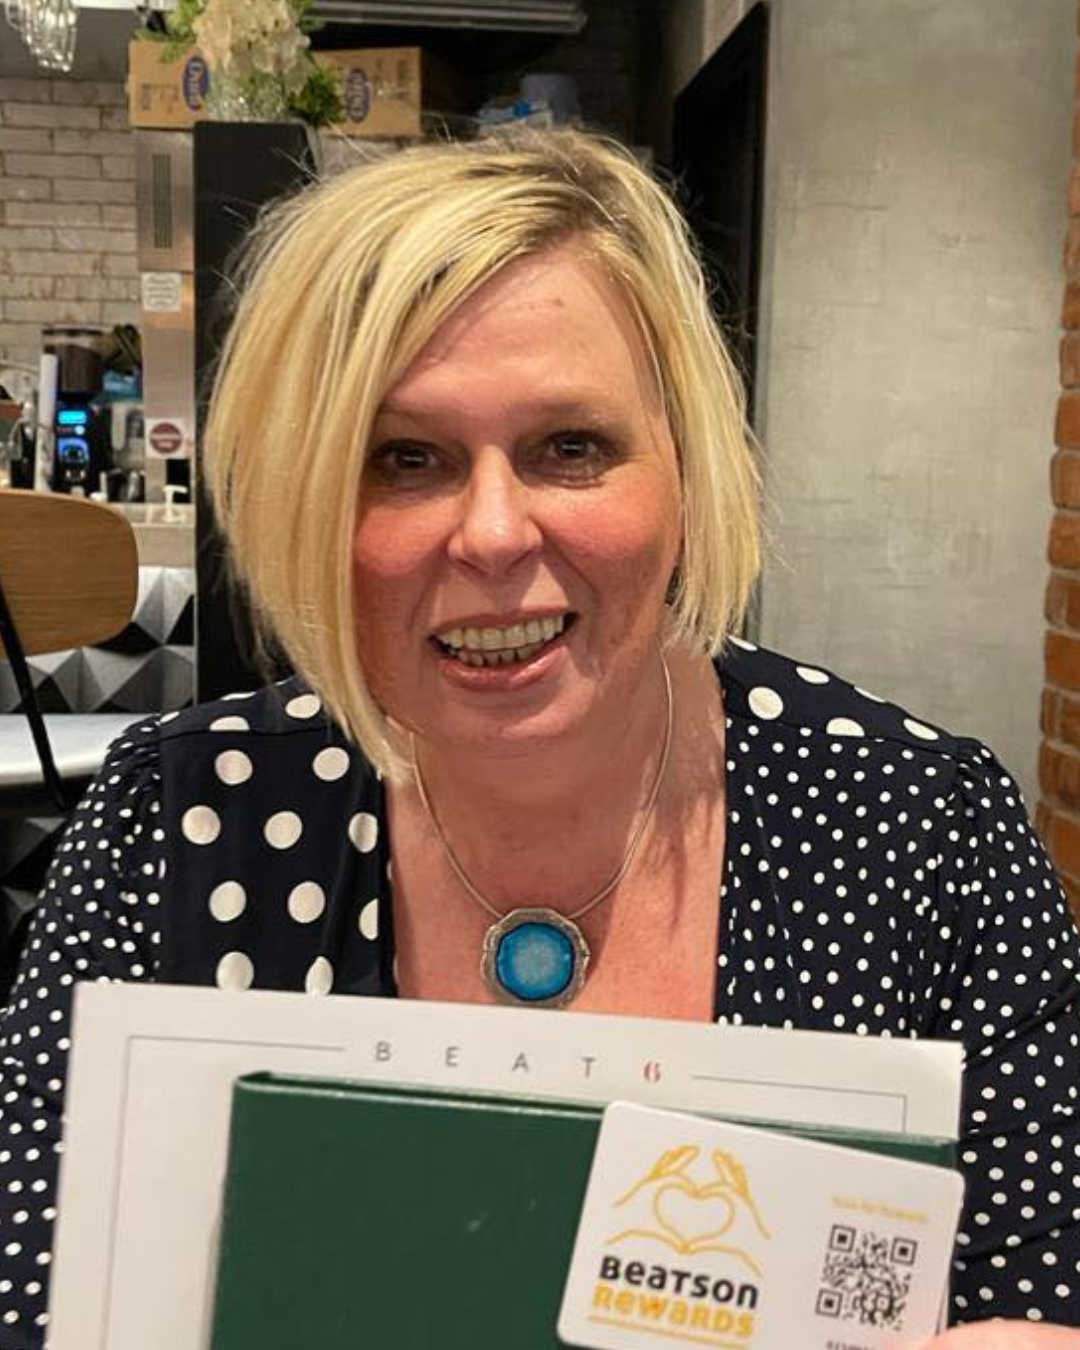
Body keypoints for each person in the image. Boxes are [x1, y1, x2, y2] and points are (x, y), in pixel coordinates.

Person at [0, 129, 1077, 1348]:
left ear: (684, 465)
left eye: (572, 446)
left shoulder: (919, 827)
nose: (497, 535)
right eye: (405, 458)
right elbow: (39, 1288)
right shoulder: (180, 822)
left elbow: (1033, 1275)